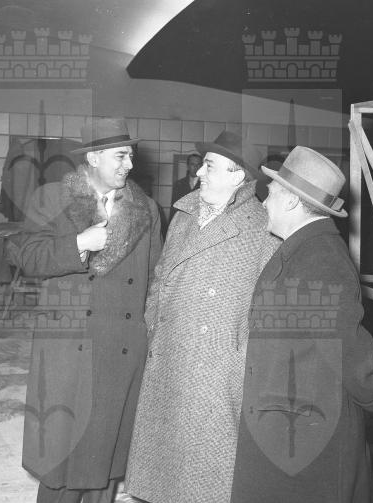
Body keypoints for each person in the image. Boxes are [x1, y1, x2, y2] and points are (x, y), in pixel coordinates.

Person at [11, 117, 162, 503]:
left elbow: (154, 278)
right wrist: (79, 243)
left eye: (131, 156)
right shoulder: (51, 199)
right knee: (61, 458)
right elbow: (27, 257)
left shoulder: (146, 209)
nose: (129, 165)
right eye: (120, 156)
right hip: (68, 346)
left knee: (104, 462)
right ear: (93, 157)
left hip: (120, 349)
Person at [125, 131, 279, 503]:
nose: (198, 173)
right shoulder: (185, 213)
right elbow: (161, 277)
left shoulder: (264, 227)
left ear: (238, 175)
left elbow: (268, 311)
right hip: (170, 354)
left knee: (205, 474)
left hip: (217, 368)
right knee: (163, 462)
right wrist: (154, 327)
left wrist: (240, 361)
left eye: (209, 166)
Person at [230, 146, 373, 503]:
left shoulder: (322, 260)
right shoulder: (302, 248)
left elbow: (352, 353)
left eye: (271, 193)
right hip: (285, 428)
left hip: (309, 440)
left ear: (291, 202)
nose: (264, 202)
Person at [170, 153, 203, 218]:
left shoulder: (206, 184)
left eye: (198, 164)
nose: (195, 167)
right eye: (192, 164)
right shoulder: (179, 184)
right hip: (182, 220)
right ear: (188, 166)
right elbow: (173, 208)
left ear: (201, 166)